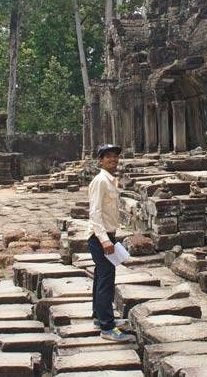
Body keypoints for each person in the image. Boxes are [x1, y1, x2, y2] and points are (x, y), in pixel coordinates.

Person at [88, 144, 134, 342]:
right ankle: (107, 327)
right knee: (106, 280)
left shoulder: (110, 181)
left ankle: (99, 317)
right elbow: (95, 213)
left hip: (106, 235)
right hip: (100, 238)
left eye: (115, 157)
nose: (113, 160)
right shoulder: (100, 181)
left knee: (101, 276)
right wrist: (105, 240)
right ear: (100, 161)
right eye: (108, 157)